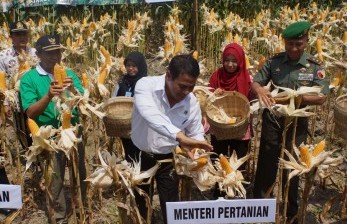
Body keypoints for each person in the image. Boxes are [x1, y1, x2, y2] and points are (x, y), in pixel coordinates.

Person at [251, 21, 329, 222]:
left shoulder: (315, 66)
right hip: (273, 120)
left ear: (306, 41)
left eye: (298, 44)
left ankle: (290, 212)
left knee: (292, 167)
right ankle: (260, 206)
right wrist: (259, 90)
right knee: (267, 164)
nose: (293, 49)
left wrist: (294, 98)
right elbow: (256, 82)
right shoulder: (274, 62)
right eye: (289, 44)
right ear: (284, 42)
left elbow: (322, 97)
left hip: (297, 123)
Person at [130, 54, 213, 223]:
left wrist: (197, 151)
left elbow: (196, 132)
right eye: (182, 86)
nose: (186, 92)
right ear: (168, 75)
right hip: (139, 154)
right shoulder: (145, 86)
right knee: (141, 204)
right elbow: (150, 116)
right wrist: (180, 137)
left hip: (167, 158)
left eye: (191, 87)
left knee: (171, 206)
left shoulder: (191, 103)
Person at [20, 35, 86, 224]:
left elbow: (84, 101)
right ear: (39, 54)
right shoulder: (29, 79)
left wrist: (74, 90)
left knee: (79, 172)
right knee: (55, 178)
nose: (55, 56)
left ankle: (82, 209)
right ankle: (59, 217)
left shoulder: (69, 74)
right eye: (49, 53)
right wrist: (49, 95)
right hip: (50, 136)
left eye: (57, 51)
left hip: (73, 132)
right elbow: (30, 112)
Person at [112, 51, 147, 162]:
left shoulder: (146, 83)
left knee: (141, 156)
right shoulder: (122, 81)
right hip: (124, 126)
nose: (131, 68)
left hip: (140, 127)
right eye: (128, 65)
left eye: (134, 66)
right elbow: (113, 99)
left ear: (140, 66)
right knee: (129, 155)